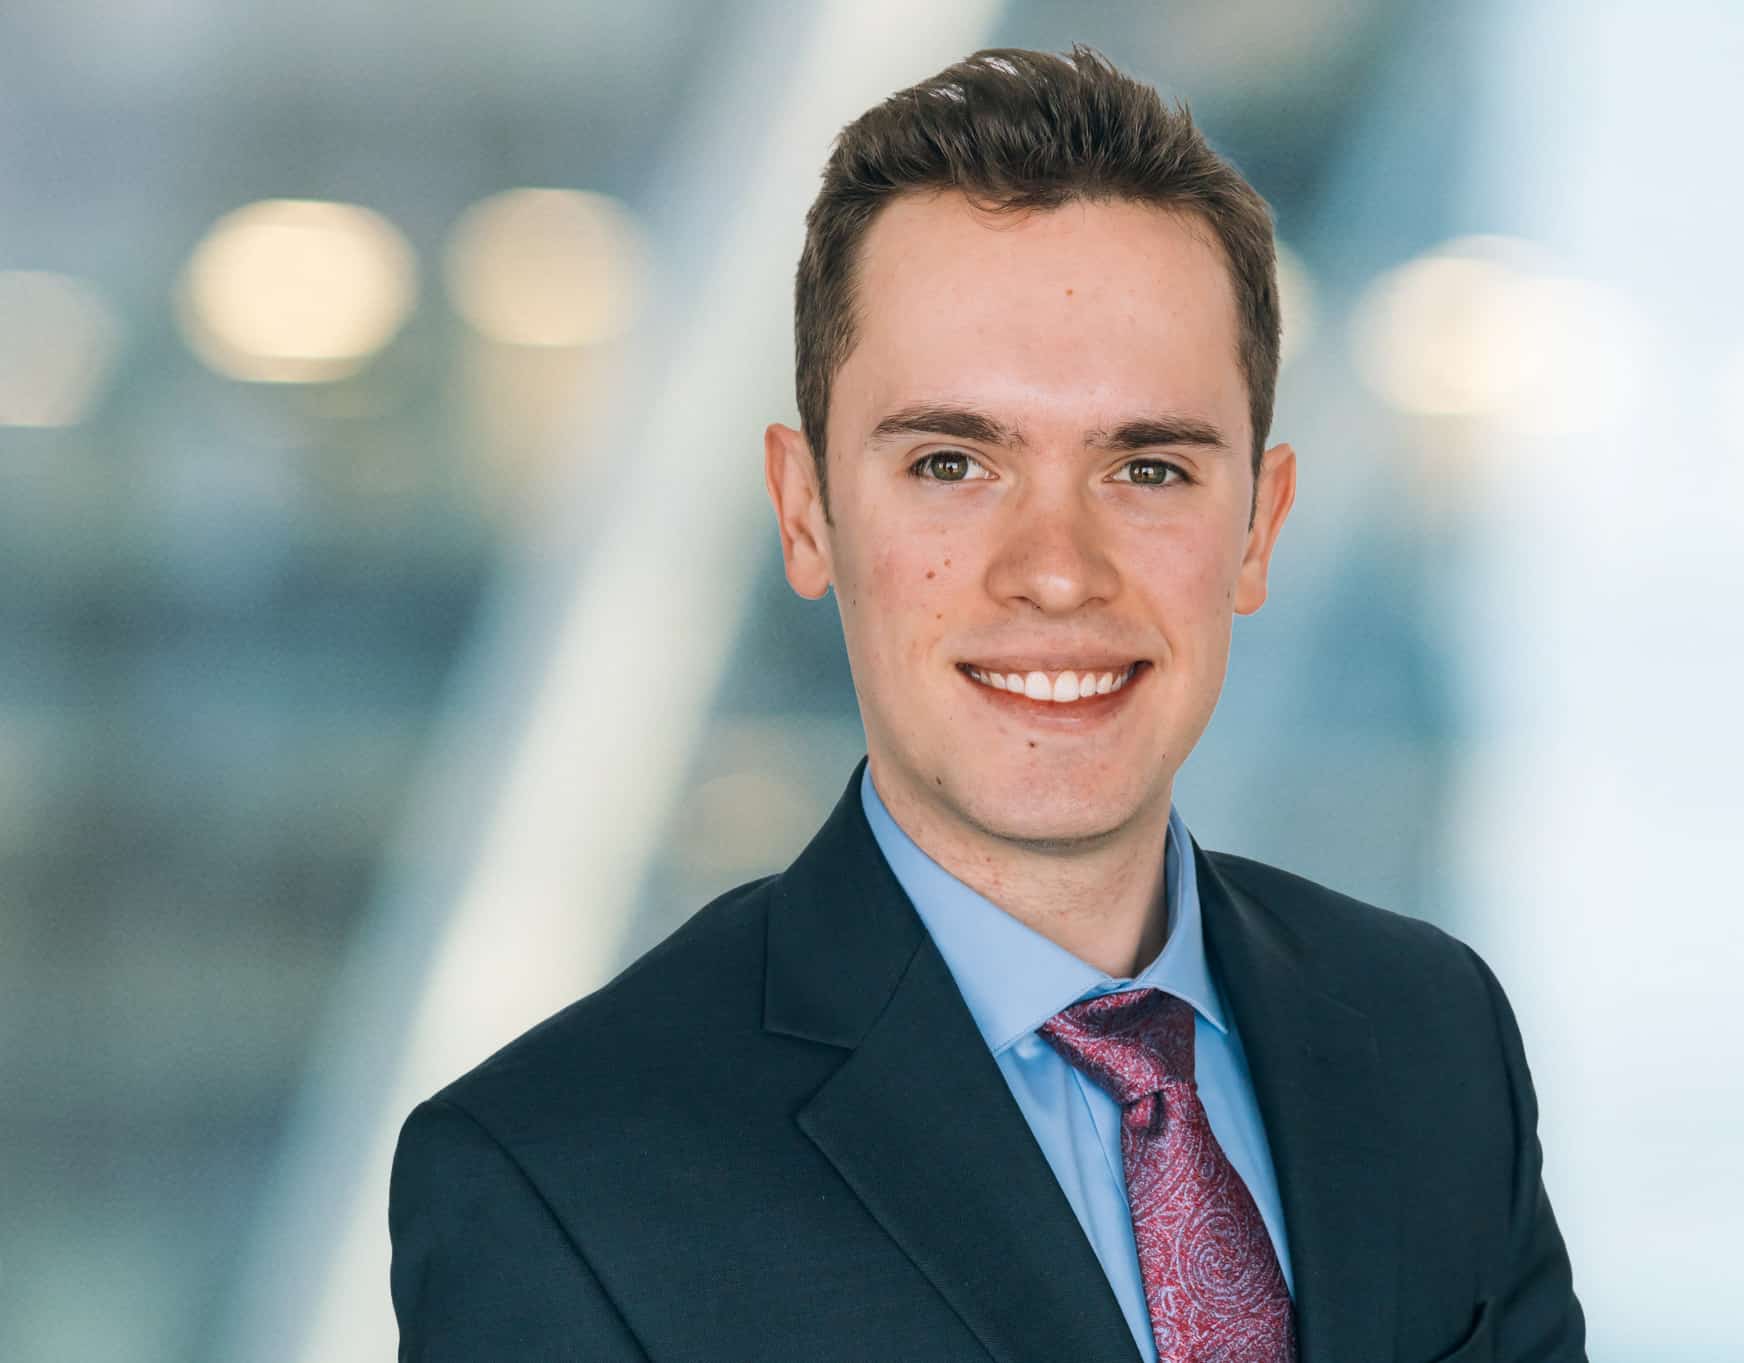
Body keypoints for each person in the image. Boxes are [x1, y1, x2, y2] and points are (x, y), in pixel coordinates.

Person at [388, 45, 1586, 1363]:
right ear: (807, 513)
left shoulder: (1431, 1036)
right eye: (953, 463)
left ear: (1259, 526)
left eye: (1148, 468)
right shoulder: (557, 1179)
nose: (1056, 571)